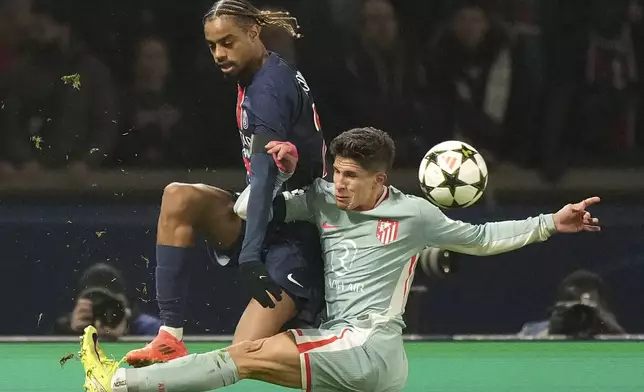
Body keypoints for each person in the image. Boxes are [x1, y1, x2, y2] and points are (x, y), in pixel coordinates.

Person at [80, 127, 601, 392]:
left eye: (352, 176)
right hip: (342, 344)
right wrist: (279, 174)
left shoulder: (416, 215)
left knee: (244, 357)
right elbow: (244, 206)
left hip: (368, 345)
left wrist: (552, 222)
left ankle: (121, 384)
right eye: (337, 171)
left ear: (381, 179)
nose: (340, 183)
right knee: (249, 354)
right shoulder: (324, 198)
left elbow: (483, 236)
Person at [125, 0, 327, 367]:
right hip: (265, 218)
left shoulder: (268, 91)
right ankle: (169, 338)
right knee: (179, 197)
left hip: (297, 237)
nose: (219, 53)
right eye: (212, 45)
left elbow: (265, 177)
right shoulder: (259, 72)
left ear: (253, 32)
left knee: (240, 356)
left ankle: (325, 339)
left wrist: (250, 255)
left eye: (228, 42)